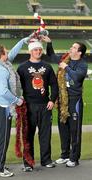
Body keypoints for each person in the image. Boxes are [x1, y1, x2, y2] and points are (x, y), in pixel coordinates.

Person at [42, 36, 88, 167]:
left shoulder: (82, 65)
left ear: (79, 52)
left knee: (75, 130)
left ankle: (74, 158)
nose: (71, 48)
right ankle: (65, 155)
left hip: (74, 101)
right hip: (62, 99)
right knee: (63, 128)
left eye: (74, 47)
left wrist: (66, 67)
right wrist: (49, 43)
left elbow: (77, 77)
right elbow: (51, 55)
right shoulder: (65, 58)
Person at [0, 37, 29, 177]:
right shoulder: (1, 71)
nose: (8, 53)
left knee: (0, 137)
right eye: (5, 52)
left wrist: (23, 41)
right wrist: (17, 100)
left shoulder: (2, 64)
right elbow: (3, 91)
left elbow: (13, 53)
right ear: (1, 56)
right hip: (3, 106)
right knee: (3, 138)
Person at [17, 38, 58, 172]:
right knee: (28, 135)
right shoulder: (22, 67)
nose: (38, 51)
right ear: (30, 51)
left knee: (45, 135)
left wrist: (52, 99)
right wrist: (19, 99)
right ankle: (28, 163)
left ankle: (46, 160)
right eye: (35, 49)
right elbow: (17, 86)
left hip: (45, 106)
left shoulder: (47, 67)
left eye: (40, 49)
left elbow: (54, 84)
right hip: (28, 106)